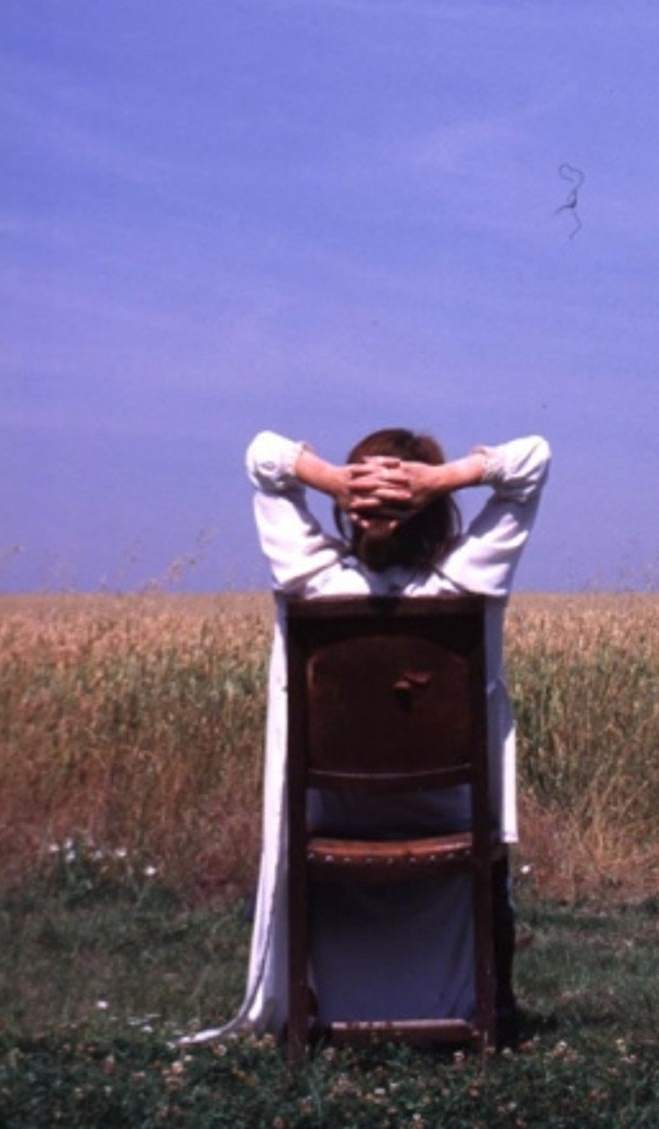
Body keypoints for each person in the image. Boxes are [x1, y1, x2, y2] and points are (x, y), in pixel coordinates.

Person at [217, 424, 550, 1041]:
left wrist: (335, 481)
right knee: (494, 846)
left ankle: (326, 995)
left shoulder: (309, 581)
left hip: (333, 818)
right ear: (431, 516)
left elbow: (262, 455)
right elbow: (534, 459)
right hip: (448, 816)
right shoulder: (470, 585)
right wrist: (442, 478)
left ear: (348, 512)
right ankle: (490, 1004)